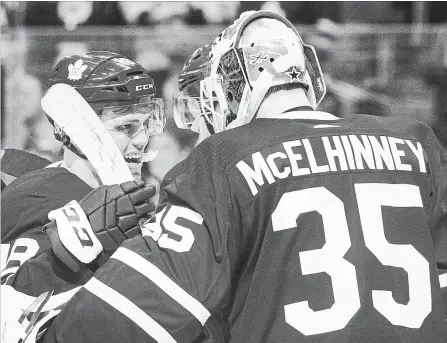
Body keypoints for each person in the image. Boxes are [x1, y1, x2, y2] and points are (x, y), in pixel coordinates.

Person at [35, 11, 447, 342]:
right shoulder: (416, 143)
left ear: (230, 86)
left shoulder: (225, 158)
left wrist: (49, 326)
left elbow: (132, 316)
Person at [1, 52, 164, 341]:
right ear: (77, 129)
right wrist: (69, 251)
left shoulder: (129, 197)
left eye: (146, 124)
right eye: (126, 127)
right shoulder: (39, 193)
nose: (141, 139)